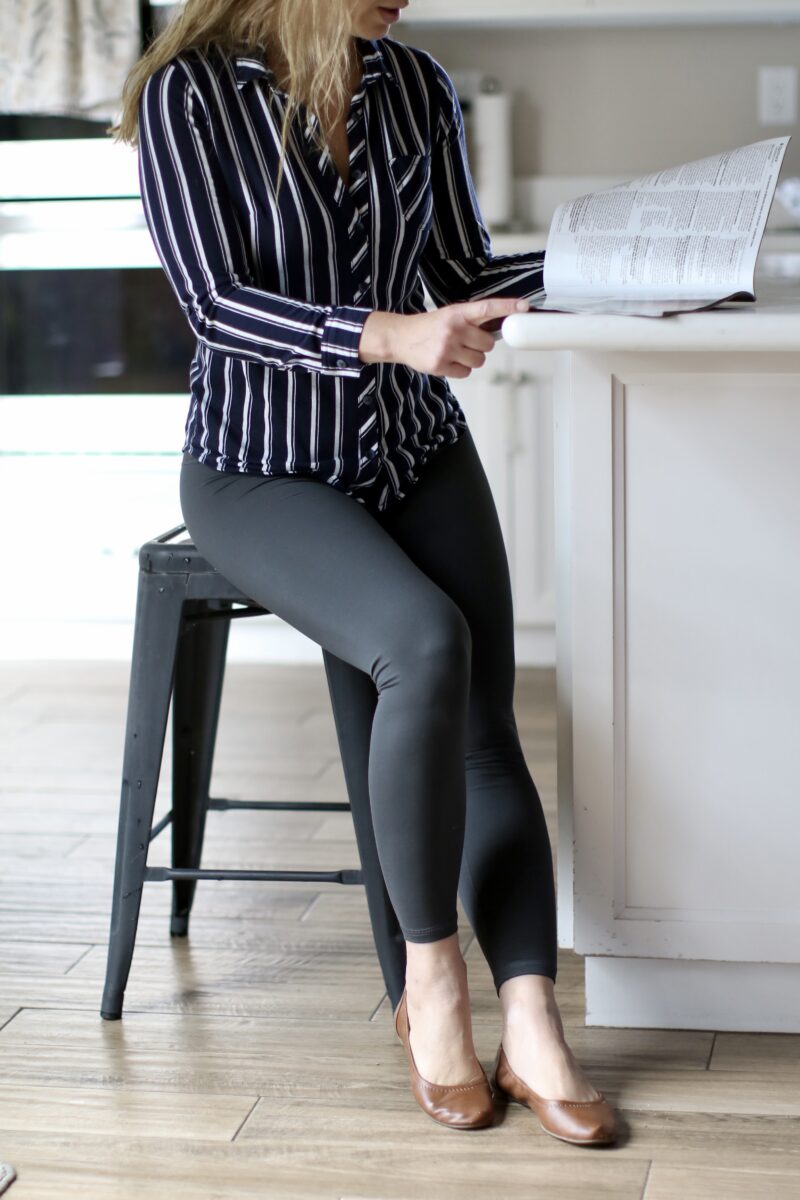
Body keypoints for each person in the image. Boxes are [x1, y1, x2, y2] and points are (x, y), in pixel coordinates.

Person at [111, 0, 617, 1145]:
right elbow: (213, 303)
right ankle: (428, 988)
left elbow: (453, 266)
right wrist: (391, 337)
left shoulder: (412, 84)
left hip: (410, 449)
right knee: (424, 642)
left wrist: (608, 266)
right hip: (261, 471)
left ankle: (531, 1018)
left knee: (483, 715)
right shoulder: (189, 94)